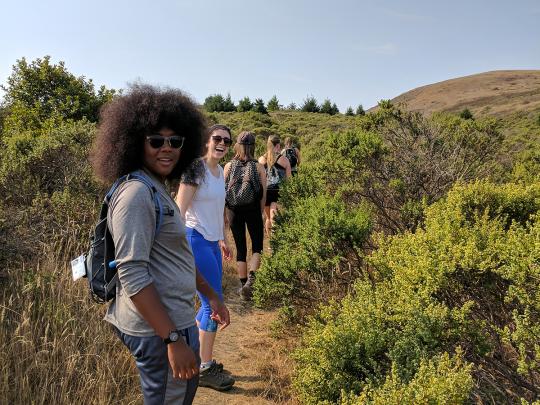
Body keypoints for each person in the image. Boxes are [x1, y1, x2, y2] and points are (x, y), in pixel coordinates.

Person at [90, 84, 230, 405]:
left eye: (175, 141)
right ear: (134, 142)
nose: (166, 149)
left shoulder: (156, 187)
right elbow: (133, 274)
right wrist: (172, 339)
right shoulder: (137, 194)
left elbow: (176, 255)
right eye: (155, 141)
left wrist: (211, 296)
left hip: (173, 321)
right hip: (158, 330)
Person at [176, 124, 235, 391]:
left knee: (208, 302)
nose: (222, 143)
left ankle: (200, 359)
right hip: (195, 240)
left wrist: (222, 238)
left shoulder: (220, 171)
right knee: (213, 303)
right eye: (217, 138)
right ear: (207, 141)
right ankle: (204, 367)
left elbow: (218, 209)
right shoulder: (195, 169)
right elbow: (180, 210)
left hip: (212, 242)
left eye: (227, 140)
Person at [223, 131, 267, 300]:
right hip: (253, 209)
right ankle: (251, 282)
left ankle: (243, 287)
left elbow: (223, 192)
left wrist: (224, 214)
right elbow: (262, 194)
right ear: (253, 146)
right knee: (257, 247)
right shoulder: (258, 167)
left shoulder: (228, 166)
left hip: (233, 210)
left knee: (241, 247)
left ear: (238, 146)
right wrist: (261, 211)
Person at [258, 135, 292, 236]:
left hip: (265, 192)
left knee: (268, 218)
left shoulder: (261, 159)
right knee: (274, 217)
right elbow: (289, 179)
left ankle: (270, 242)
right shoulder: (284, 160)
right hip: (278, 191)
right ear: (277, 145)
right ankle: (274, 243)